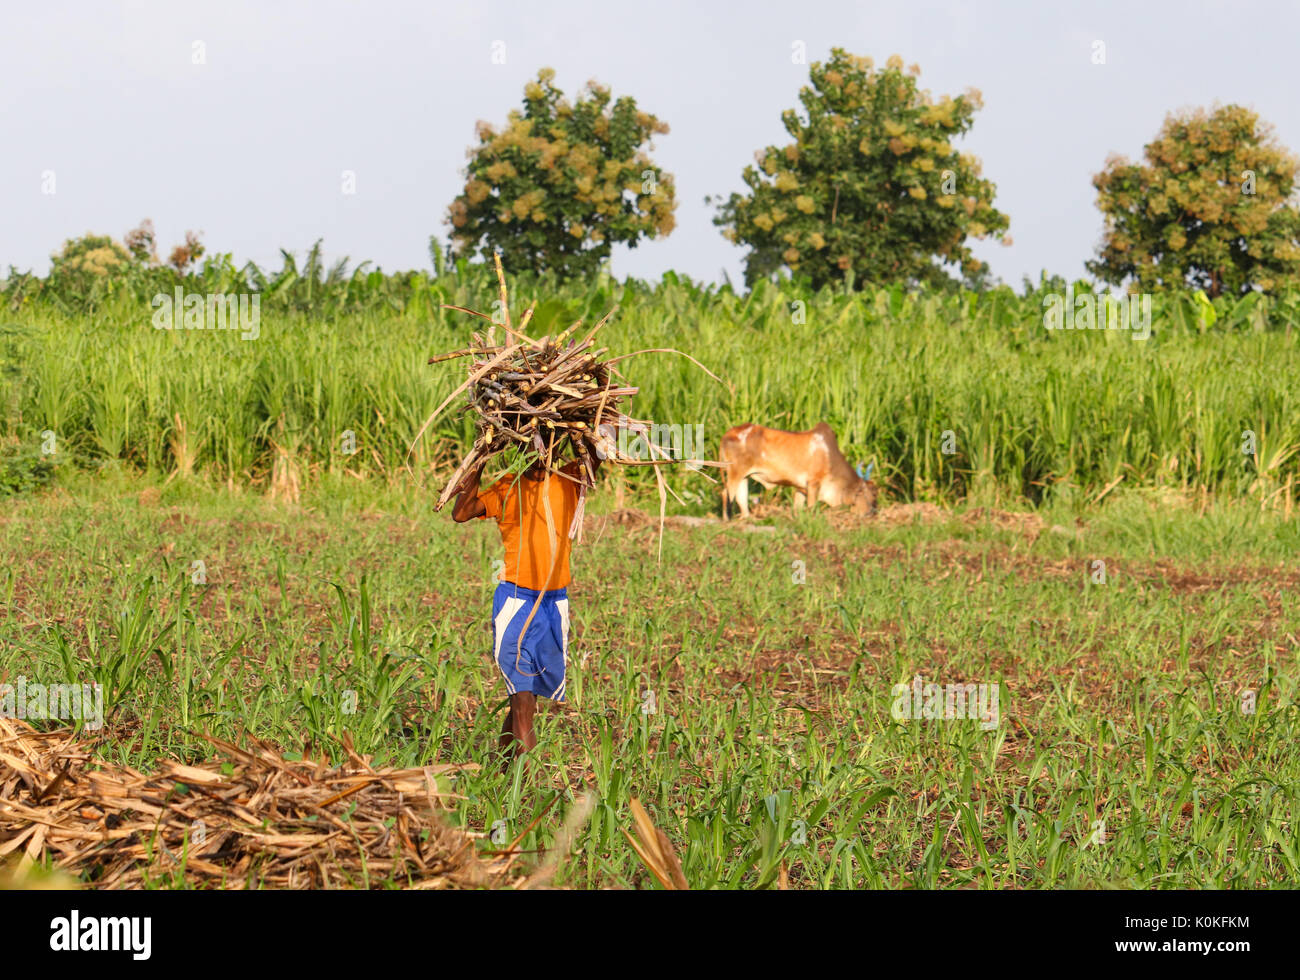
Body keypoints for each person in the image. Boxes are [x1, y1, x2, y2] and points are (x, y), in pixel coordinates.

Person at [451, 453, 600, 765]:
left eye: (547, 445)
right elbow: (462, 512)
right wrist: (479, 459)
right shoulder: (508, 487)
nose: (539, 455)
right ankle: (527, 789)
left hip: (554, 603)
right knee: (521, 700)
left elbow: (597, 452)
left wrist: (581, 430)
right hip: (517, 603)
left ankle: (504, 774)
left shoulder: (570, 479)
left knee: (527, 701)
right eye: (532, 448)